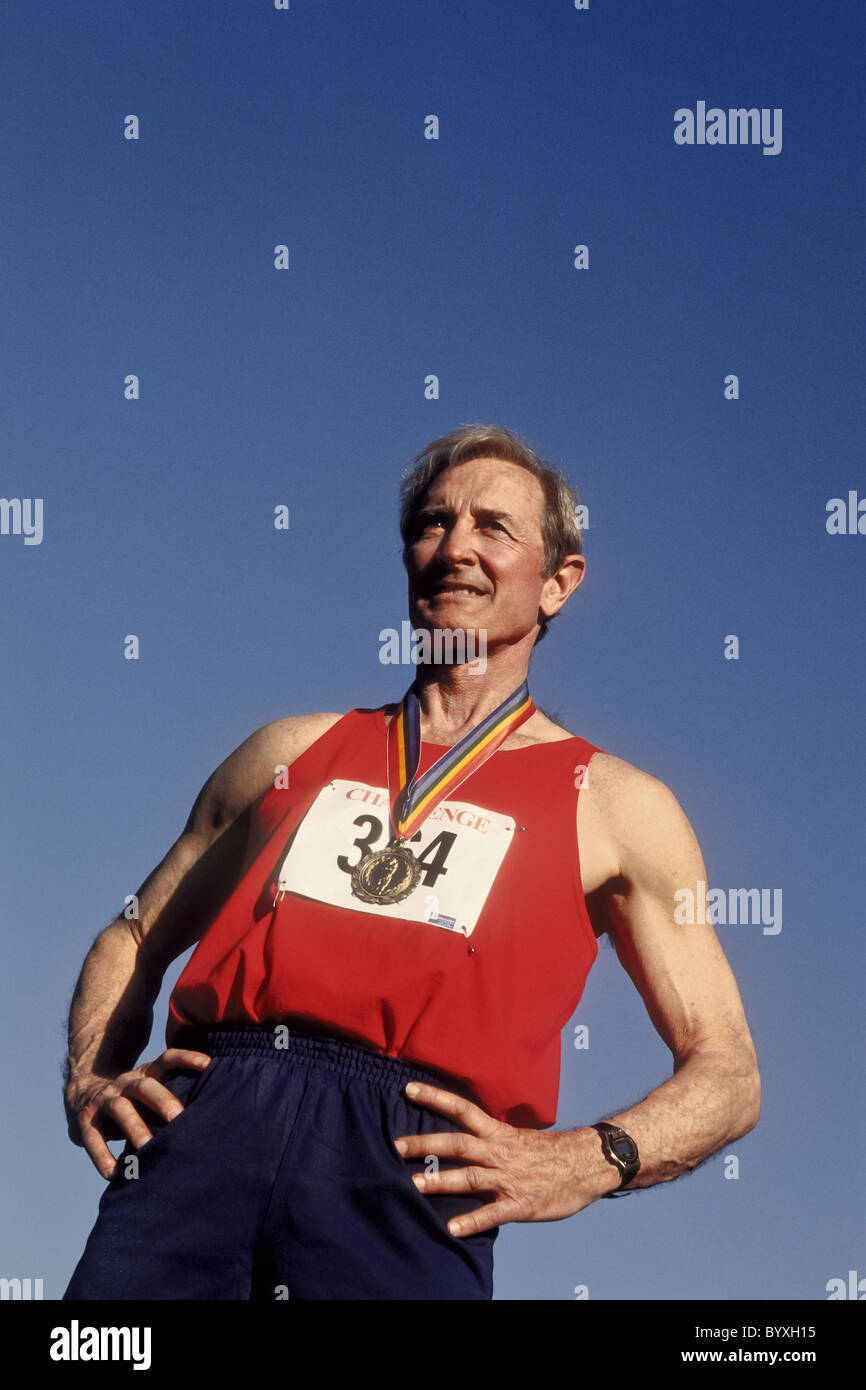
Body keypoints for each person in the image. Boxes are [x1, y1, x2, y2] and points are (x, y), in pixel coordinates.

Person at [62, 423, 760, 1301]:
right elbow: (134, 934)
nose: (455, 547)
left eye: (494, 528)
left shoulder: (617, 805)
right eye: (433, 523)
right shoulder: (288, 750)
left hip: (413, 1169)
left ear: (557, 583)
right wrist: (89, 1077)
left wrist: (588, 1160)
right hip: (206, 1128)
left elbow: (728, 1071)